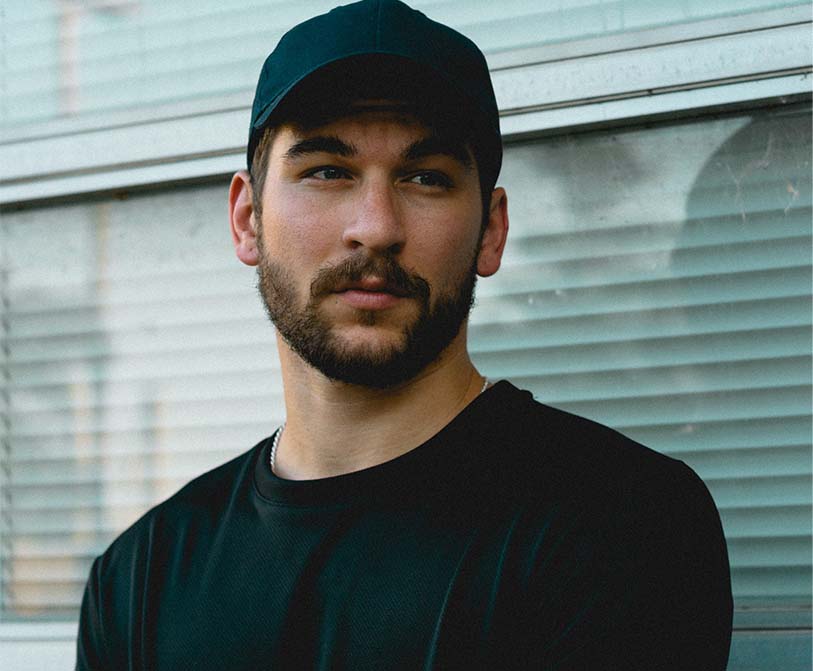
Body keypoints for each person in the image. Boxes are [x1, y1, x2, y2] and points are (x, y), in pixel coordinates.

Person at [75, 1, 733, 669]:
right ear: (247, 218)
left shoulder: (620, 523)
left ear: (491, 230)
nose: (376, 225)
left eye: (426, 178)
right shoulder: (139, 578)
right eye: (327, 170)